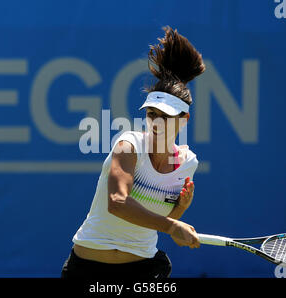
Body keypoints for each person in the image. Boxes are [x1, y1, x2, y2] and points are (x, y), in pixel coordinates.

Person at [61, 26, 206, 278]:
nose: (157, 122)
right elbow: (118, 203)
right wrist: (173, 225)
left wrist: (180, 209)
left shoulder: (187, 163)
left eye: (167, 117)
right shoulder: (128, 146)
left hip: (142, 270)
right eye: (152, 115)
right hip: (87, 269)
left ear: (184, 119)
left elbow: (156, 223)